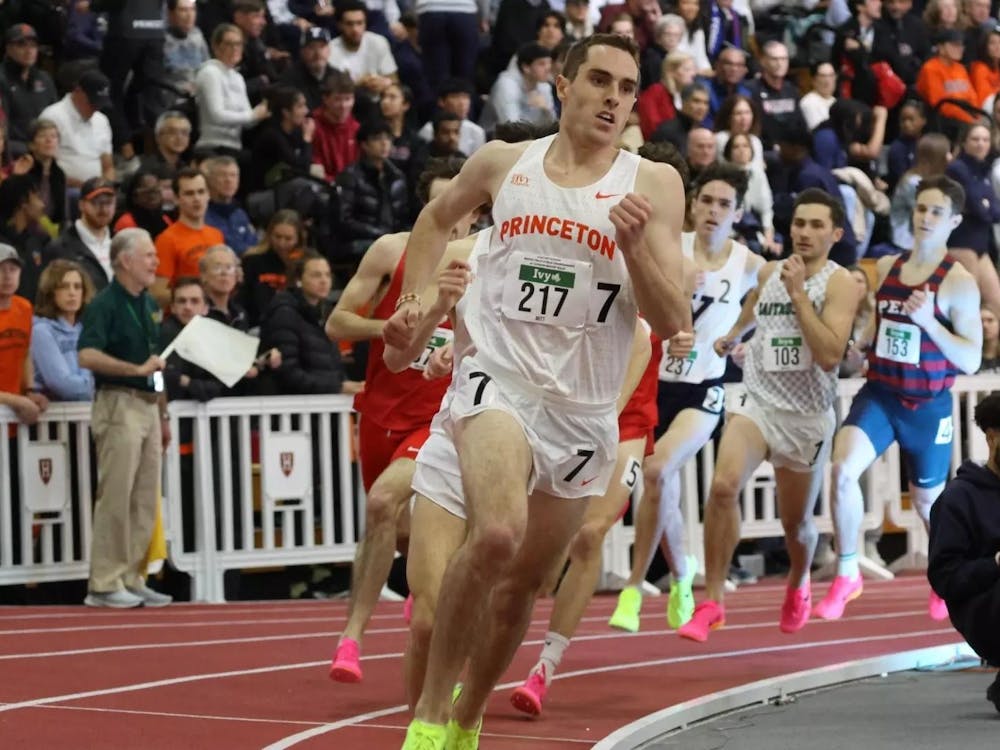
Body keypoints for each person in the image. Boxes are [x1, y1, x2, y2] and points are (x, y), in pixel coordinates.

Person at [384, 33, 690, 749]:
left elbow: (674, 317)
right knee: (495, 533)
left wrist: (636, 247)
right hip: (499, 377)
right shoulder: (503, 162)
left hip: (581, 413)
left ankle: (466, 717)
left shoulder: (652, 184)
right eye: (600, 81)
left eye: (626, 86)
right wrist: (423, 297)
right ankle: (429, 718)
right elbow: (433, 221)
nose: (614, 98)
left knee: (523, 587)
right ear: (563, 82)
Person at [678, 188, 860, 643]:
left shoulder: (840, 284)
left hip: (807, 416)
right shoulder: (772, 270)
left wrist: (799, 295)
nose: (804, 232)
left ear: (835, 233)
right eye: (799, 223)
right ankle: (713, 600)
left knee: (795, 525)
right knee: (722, 488)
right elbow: (755, 303)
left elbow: (829, 355)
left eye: (817, 225)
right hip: (758, 402)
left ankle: (798, 580)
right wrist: (734, 335)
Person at [325, 156, 477, 683]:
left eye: (464, 210)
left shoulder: (476, 265)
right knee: (395, 527)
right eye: (443, 207)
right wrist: (386, 328)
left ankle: (351, 639)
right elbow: (337, 321)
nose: (455, 221)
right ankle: (422, 590)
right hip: (380, 410)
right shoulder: (392, 252)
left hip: (435, 419)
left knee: (383, 499)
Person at [815, 175, 982, 623]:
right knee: (842, 470)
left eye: (936, 212)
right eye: (921, 209)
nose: (925, 218)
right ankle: (848, 571)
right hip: (882, 395)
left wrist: (929, 321)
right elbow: (881, 326)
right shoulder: (888, 266)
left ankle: (946, 576)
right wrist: (862, 344)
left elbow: (971, 358)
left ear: (954, 222)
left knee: (929, 504)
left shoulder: (958, 282)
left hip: (928, 407)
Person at [609, 161, 763, 635]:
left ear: (737, 214)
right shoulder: (669, 248)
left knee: (656, 471)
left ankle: (634, 588)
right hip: (654, 381)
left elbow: (766, 312)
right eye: (707, 202)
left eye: (724, 205)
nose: (713, 212)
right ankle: (681, 577)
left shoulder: (749, 265)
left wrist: (742, 339)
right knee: (661, 484)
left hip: (703, 391)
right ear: (692, 204)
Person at [78, 228, 173, 608]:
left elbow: (157, 363)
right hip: (118, 401)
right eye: (148, 255)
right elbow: (86, 355)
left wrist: (163, 412)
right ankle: (103, 581)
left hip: (148, 404)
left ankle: (132, 575)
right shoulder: (105, 303)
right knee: (116, 493)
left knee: (145, 496)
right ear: (124, 260)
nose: (155, 262)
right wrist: (134, 370)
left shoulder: (148, 302)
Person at [928, 392, 1000, 712]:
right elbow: (945, 579)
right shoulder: (959, 499)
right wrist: (996, 563)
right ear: (992, 436)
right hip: (986, 606)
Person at [152, 167, 225, 307]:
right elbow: (157, 293)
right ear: (176, 199)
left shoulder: (217, 234)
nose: (197, 198)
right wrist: (198, 296)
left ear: (208, 195)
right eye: (189, 193)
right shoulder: (167, 239)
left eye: (201, 192)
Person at [30, 260, 96, 401]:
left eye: (77, 287)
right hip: (53, 418)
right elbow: (61, 384)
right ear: (51, 292)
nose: (72, 293)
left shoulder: (85, 330)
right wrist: (99, 391)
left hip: (85, 416)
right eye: (64, 287)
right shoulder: (41, 331)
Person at [0, 244, 47, 425]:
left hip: (15, 417)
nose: (7, 275)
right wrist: (16, 400)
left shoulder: (24, 307)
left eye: (13, 269)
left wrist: (29, 391)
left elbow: (26, 353)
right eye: (1, 269)